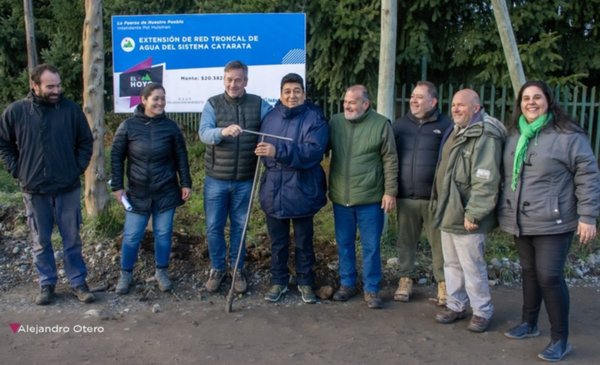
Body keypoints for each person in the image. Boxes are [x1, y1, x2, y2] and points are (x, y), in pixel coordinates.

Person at [498, 81, 600, 362]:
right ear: (519, 103)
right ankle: (528, 324)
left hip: (555, 221)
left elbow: (588, 175)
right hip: (522, 219)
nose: (531, 102)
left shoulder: (568, 135)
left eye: (537, 97)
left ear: (548, 101)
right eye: (526, 98)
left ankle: (560, 339)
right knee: (529, 272)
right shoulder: (515, 134)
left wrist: (588, 216)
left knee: (549, 276)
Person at [0, 64, 95, 305]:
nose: (56, 90)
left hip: (67, 188)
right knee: (40, 240)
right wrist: (18, 170)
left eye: (58, 85)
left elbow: (85, 142)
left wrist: (76, 169)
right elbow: (4, 144)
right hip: (34, 189)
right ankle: (47, 283)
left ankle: (78, 282)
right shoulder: (17, 111)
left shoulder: (71, 110)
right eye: (50, 86)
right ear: (35, 85)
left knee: (72, 239)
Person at [432, 89, 505, 332]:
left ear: (476, 107)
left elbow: (486, 179)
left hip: (467, 215)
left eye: (461, 105)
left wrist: (474, 213)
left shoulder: (485, 135)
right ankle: (456, 304)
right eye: (453, 104)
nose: (455, 109)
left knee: (472, 265)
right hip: (450, 210)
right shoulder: (457, 130)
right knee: (451, 264)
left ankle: (482, 311)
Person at [110, 83, 191, 294]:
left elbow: (181, 157)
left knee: (163, 234)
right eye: (156, 98)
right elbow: (116, 158)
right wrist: (117, 187)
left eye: (163, 98)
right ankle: (126, 274)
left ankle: (161, 272)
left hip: (166, 191)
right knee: (132, 236)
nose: (160, 102)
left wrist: (186, 183)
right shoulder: (127, 127)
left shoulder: (171, 127)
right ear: (143, 100)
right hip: (137, 193)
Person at [255, 73, 329, 304]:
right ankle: (279, 281)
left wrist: (278, 152)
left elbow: (313, 152)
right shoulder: (270, 117)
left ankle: (306, 281)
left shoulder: (314, 118)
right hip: (274, 188)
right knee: (277, 242)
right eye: (287, 91)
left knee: (304, 240)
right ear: (280, 94)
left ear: (304, 94)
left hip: (302, 187)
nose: (292, 95)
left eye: (297, 91)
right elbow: (263, 148)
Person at [199, 60, 272, 293]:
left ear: (246, 81)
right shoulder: (212, 104)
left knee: (240, 226)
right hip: (216, 179)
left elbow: (275, 123)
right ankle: (218, 268)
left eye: (238, 80)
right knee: (214, 226)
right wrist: (223, 131)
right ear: (224, 79)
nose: (233, 84)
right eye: (229, 79)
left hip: (245, 178)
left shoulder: (259, 104)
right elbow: (204, 133)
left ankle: (237, 268)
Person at [328, 85, 398, 309]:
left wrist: (390, 191)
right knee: (344, 243)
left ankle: (371, 289)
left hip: (370, 198)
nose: (347, 106)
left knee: (371, 246)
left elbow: (390, 159)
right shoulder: (335, 122)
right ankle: (347, 284)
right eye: (345, 102)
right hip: (341, 197)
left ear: (365, 104)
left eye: (352, 102)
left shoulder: (381, 125)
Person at [392, 81, 452, 304]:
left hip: (434, 198)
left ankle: (443, 284)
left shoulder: (447, 125)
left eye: (419, 97)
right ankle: (405, 280)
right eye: (412, 96)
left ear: (433, 101)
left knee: (439, 243)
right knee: (405, 242)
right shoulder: (399, 126)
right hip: (406, 197)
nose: (413, 100)